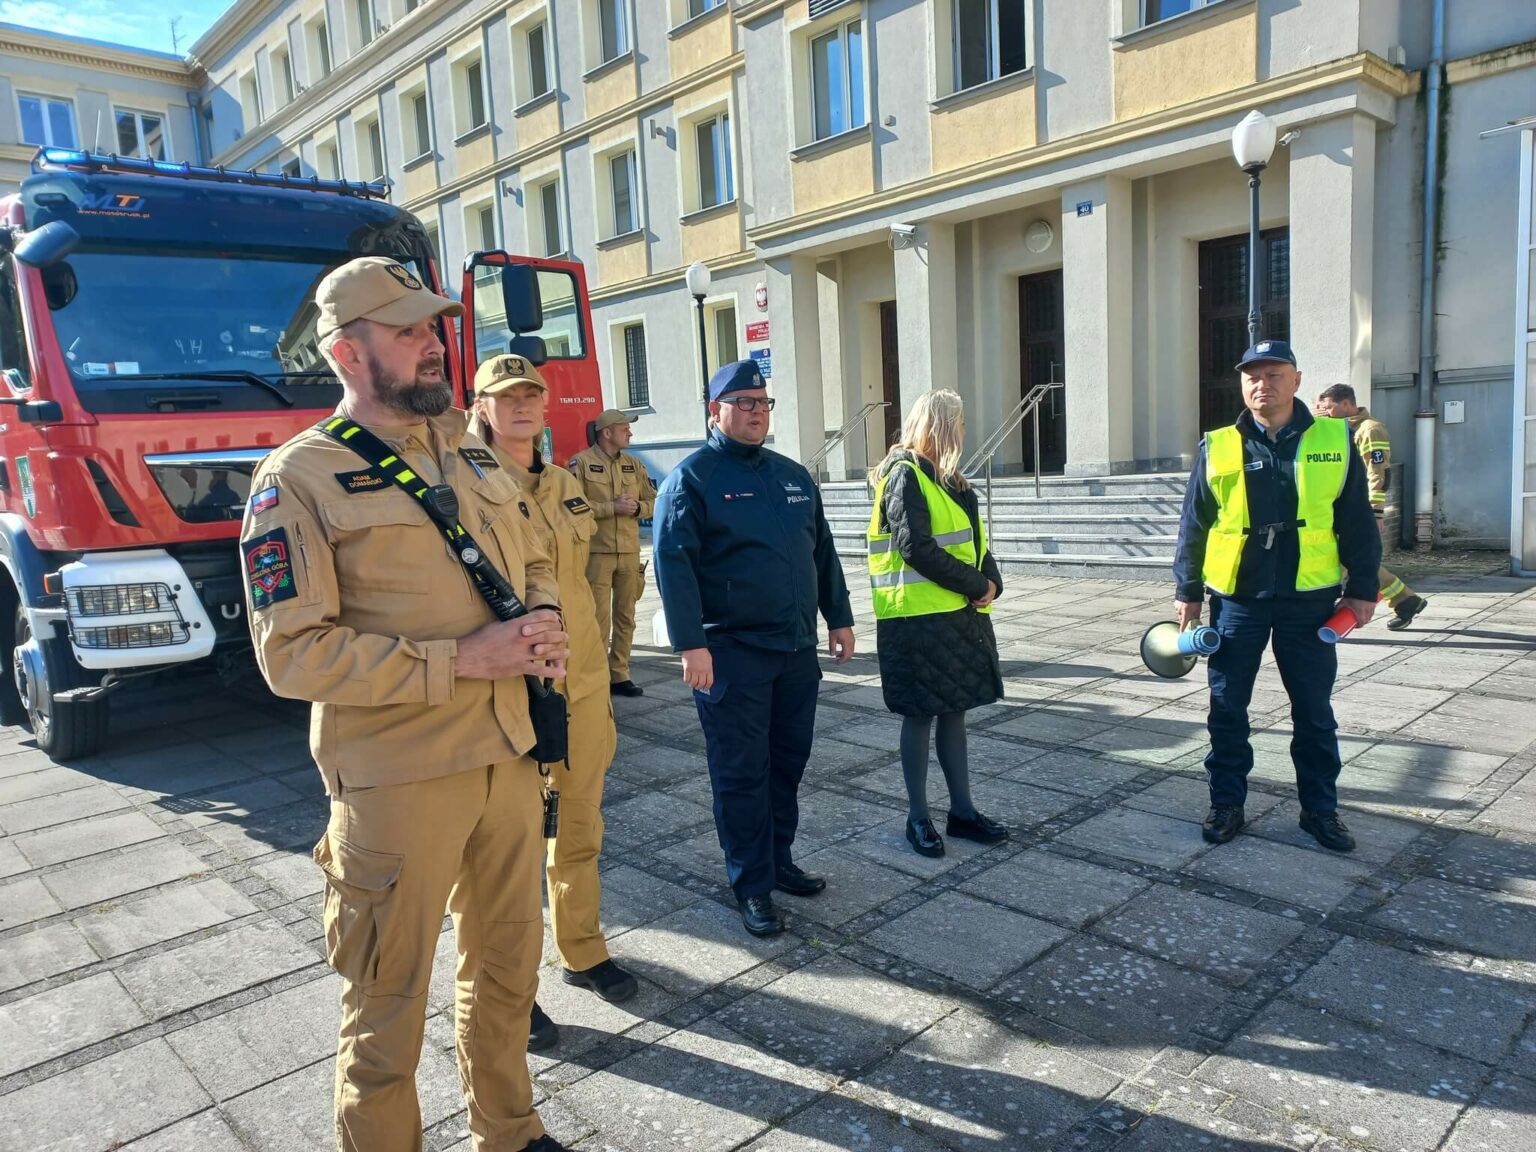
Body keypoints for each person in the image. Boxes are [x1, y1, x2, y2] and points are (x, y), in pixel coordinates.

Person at [241, 257, 571, 1152]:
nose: (434, 346)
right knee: (387, 1009)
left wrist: (540, 612)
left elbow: (534, 548)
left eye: (434, 328)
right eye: (409, 332)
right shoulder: (297, 479)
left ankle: (510, 1128)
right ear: (348, 352)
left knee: (506, 973)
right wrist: (459, 659)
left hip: (506, 757)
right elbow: (290, 654)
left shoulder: (468, 446)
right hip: (398, 780)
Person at [467, 353, 637, 1054]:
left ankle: (583, 947)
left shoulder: (567, 482)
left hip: (585, 681)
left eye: (532, 394)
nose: (522, 406)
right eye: (505, 397)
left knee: (580, 821)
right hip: (508, 690)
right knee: (495, 853)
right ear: (479, 407)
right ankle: (509, 988)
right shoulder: (462, 485)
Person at [652, 360, 855, 938]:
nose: (755, 410)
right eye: (741, 402)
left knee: (788, 761)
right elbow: (675, 565)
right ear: (714, 410)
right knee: (741, 771)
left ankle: (778, 858)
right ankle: (751, 883)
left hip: (794, 650)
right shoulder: (693, 478)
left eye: (762, 401)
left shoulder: (792, 476)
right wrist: (691, 644)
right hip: (730, 652)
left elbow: (823, 554)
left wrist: (837, 618)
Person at [1172, 339, 1381, 854]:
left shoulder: (1334, 438)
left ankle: (1320, 811)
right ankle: (1227, 804)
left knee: (1313, 711)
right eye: (1252, 376)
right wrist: (1188, 591)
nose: (1262, 384)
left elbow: (1356, 518)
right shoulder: (1218, 445)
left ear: (1297, 379)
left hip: (1309, 600)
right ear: (1243, 383)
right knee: (1226, 707)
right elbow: (1194, 523)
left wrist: (1363, 589)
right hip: (1237, 599)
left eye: (1273, 374)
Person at [867, 390, 1008, 858]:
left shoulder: (953, 482)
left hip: (954, 615)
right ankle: (918, 817)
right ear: (943, 427)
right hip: (915, 620)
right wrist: (974, 584)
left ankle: (962, 813)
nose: (965, 432)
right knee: (920, 715)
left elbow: (974, 543)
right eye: (960, 423)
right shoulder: (904, 476)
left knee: (955, 711)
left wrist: (991, 581)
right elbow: (916, 549)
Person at [1314, 384, 1429, 630]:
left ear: (1347, 403)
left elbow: (1379, 473)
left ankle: (1331, 618)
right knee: (1356, 562)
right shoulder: (1339, 428)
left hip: (1361, 508)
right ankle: (1406, 599)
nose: (1325, 412)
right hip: (1341, 508)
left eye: (1329, 407)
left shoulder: (1370, 430)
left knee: (1345, 563)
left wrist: (1376, 512)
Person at [568, 409, 654, 698]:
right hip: (598, 553)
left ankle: (619, 675)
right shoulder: (581, 463)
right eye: (624, 428)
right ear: (607, 432)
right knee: (597, 619)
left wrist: (639, 509)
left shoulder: (634, 464)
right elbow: (573, 507)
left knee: (626, 616)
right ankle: (596, 676)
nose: (630, 433)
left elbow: (654, 501)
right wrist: (610, 508)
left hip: (629, 551)